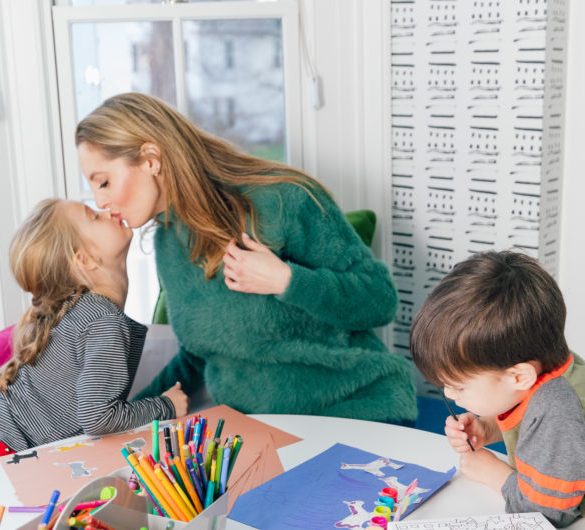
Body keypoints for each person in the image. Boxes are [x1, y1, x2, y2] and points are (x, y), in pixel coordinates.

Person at [74, 92, 417, 425]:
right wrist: (126, 420)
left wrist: (288, 281)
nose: (99, 201)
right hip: (260, 429)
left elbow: (380, 300)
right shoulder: (168, 242)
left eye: (103, 182)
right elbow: (203, 354)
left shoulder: (282, 200)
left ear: (150, 159)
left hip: (355, 410)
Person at [0, 198, 188, 472]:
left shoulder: (85, 311)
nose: (108, 211)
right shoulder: (102, 320)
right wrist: (165, 407)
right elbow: (97, 418)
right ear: (85, 259)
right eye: (94, 216)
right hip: (2, 455)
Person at [409, 250, 585, 528]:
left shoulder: (557, 411)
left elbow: (544, 514)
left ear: (518, 376)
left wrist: (492, 472)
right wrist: (488, 428)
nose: (451, 394)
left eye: (459, 387)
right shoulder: (549, 367)